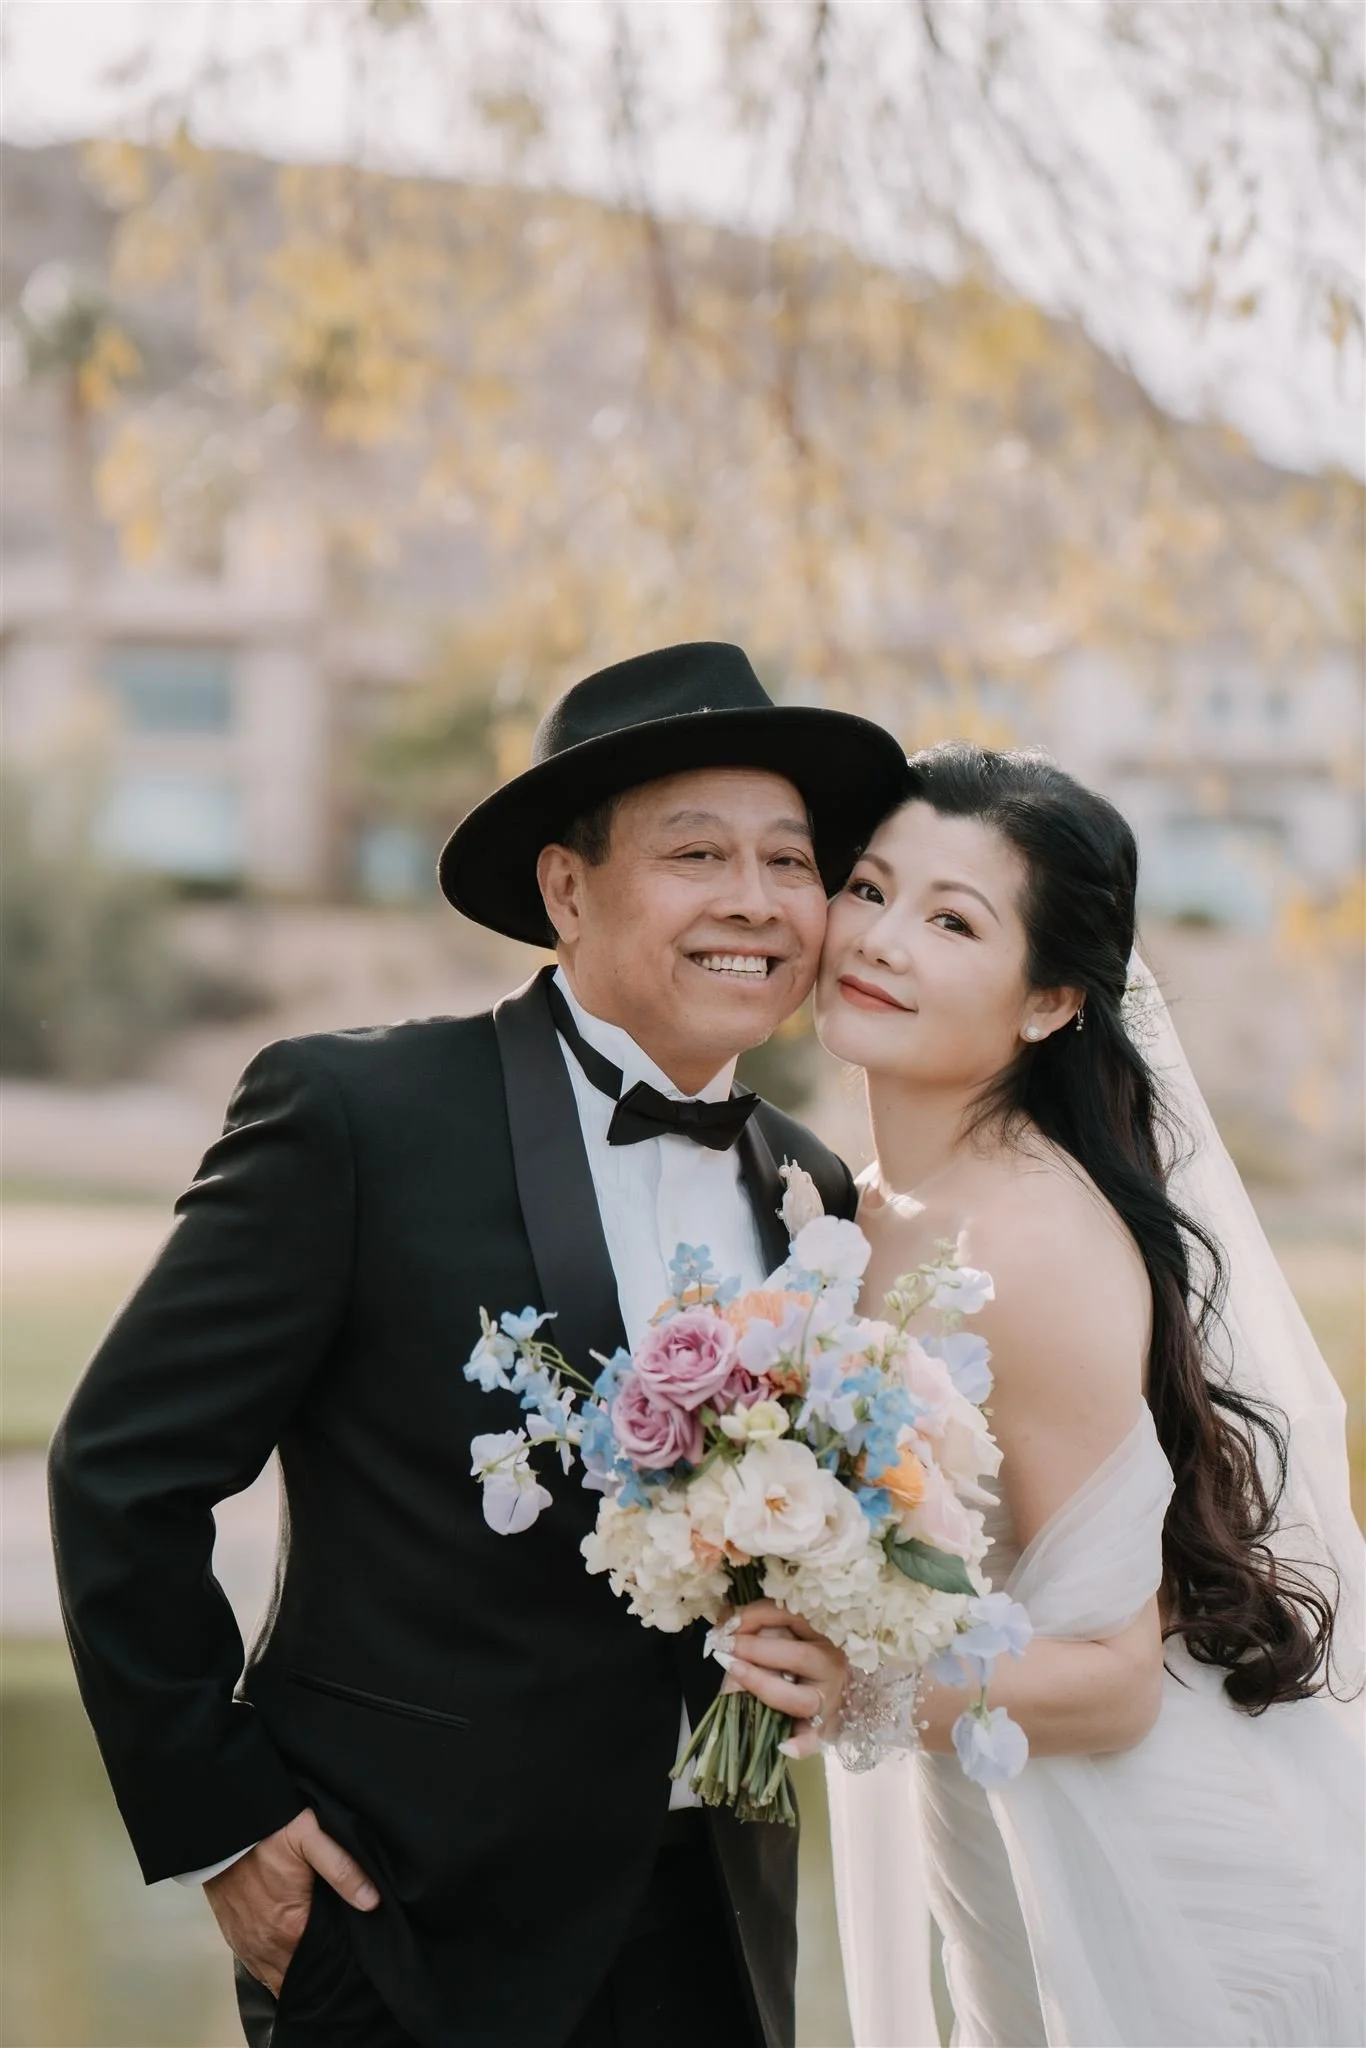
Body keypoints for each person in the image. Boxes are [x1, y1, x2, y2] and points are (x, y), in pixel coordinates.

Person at [47, 642, 910, 2048]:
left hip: (716, 1930)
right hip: (397, 1927)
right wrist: (225, 1821)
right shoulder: (354, 1115)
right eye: (697, 853)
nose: (755, 902)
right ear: (566, 890)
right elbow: (122, 1475)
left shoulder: (813, 1193)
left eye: (791, 861)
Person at [809, 743, 1364, 2048]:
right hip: (1006, 1821)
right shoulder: (870, 1205)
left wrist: (840, 1694)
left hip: (1156, 1882)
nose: (879, 940)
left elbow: (1113, 1681)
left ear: (1050, 999)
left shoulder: (1025, 1242)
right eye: (871, 890)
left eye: (951, 920)